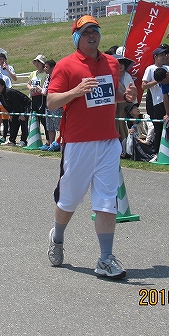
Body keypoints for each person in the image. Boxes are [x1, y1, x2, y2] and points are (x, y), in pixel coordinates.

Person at [46, 15, 137, 278]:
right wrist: (76, 91)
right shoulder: (65, 66)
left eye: (95, 30)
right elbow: (51, 102)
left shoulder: (111, 63)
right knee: (69, 200)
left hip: (108, 141)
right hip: (78, 143)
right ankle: (58, 237)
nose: (92, 35)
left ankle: (106, 258)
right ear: (76, 36)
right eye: (86, 32)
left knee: (107, 201)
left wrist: (126, 98)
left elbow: (111, 95)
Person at [142, 46, 169, 155]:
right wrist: (157, 81)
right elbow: (144, 86)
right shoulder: (150, 69)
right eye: (161, 55)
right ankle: (157, 152)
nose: (164, 57)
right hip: (158, 102)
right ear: (155, 57)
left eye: (165, 54)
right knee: (158, 128)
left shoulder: (168, 68)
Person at [0, 78, 31, 147]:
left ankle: (23, 141)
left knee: (23, 121)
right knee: (12, 121)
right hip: (15, 108)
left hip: (25, 105)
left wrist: (20, 113)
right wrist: (11, 113)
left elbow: (17, 103)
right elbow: (6, 105)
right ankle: (12, 140)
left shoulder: (8, 92)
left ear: (3, 86)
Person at [40, 59, 61, 152]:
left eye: (47, 67)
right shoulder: (47, 77)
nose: (45, 68)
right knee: (50, 126)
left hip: (56, 104)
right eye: (44, 67)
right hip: (47, 103)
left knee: (58, 126)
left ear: (53, 67)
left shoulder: (57, 77)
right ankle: (51, 143)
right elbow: (45, 90)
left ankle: (60, 143)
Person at [27, 54, 47, 141]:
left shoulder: (45, 74)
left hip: (42, 97)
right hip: (33, 97)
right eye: (36, 62)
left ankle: (48, 140)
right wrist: (30, 88)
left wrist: (41, 89)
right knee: (34, 117)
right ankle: (34, 139)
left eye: (39, 62)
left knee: (43, 118)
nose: (37, 64)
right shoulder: (33, 73)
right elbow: (28, 83)